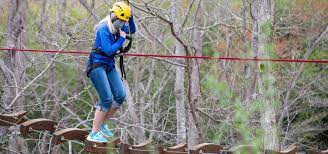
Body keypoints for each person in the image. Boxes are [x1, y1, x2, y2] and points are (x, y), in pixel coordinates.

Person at [86, 2, 136, 143]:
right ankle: (94, 133)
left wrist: (130, 18)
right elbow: (109, 50)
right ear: (114, 17)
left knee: (120, 95)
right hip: (97, 65)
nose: (123, 23)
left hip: (108, 65)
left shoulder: (117, 25)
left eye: (124, 21)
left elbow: (132, 30)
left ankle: (101, 125)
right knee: (107, 98)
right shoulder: (104, 28)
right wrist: (121, 38)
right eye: (122, 20)